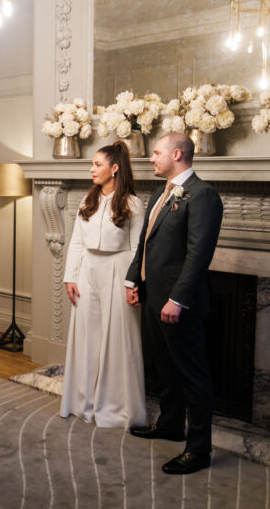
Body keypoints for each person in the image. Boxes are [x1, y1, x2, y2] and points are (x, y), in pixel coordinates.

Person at [125, 132, 223, 475]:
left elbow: (199, 255)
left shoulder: (203, 195)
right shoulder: (159, 192)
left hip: (180, 302)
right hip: (153, 295)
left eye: (156, 153)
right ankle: (169, 424)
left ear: (177, 154)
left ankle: (199, 450)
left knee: (192, 374)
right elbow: (146, 242)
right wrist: (134, 279)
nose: (152, 158)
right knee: (163, 366)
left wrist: (177, 299)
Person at [59, 141, 146, 429]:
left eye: (97, 164)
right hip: (87, 272)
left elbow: (138, 249)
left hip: (118, 271)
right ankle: (83, 402)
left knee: (119, 339)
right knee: (87, 337)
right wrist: (70, 276)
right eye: (92, 164)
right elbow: (76, 242)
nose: (91, 169)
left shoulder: (133, 204)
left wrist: (133, 283)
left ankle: (118, 408)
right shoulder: (88, 201)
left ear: (115, 168)